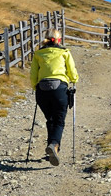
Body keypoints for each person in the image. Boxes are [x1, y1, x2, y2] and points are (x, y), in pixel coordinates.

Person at [30, 30, 79, 166]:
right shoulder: (64, 52)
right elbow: (72, 72)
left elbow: (33, 74)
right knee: (59, 120)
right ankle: (54, 145)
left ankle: (53, 149)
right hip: (59, 89)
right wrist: (74, 79)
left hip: (42, 90)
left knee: (50, 119)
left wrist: (36, 87)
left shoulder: (38, 54)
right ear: (59, 39)